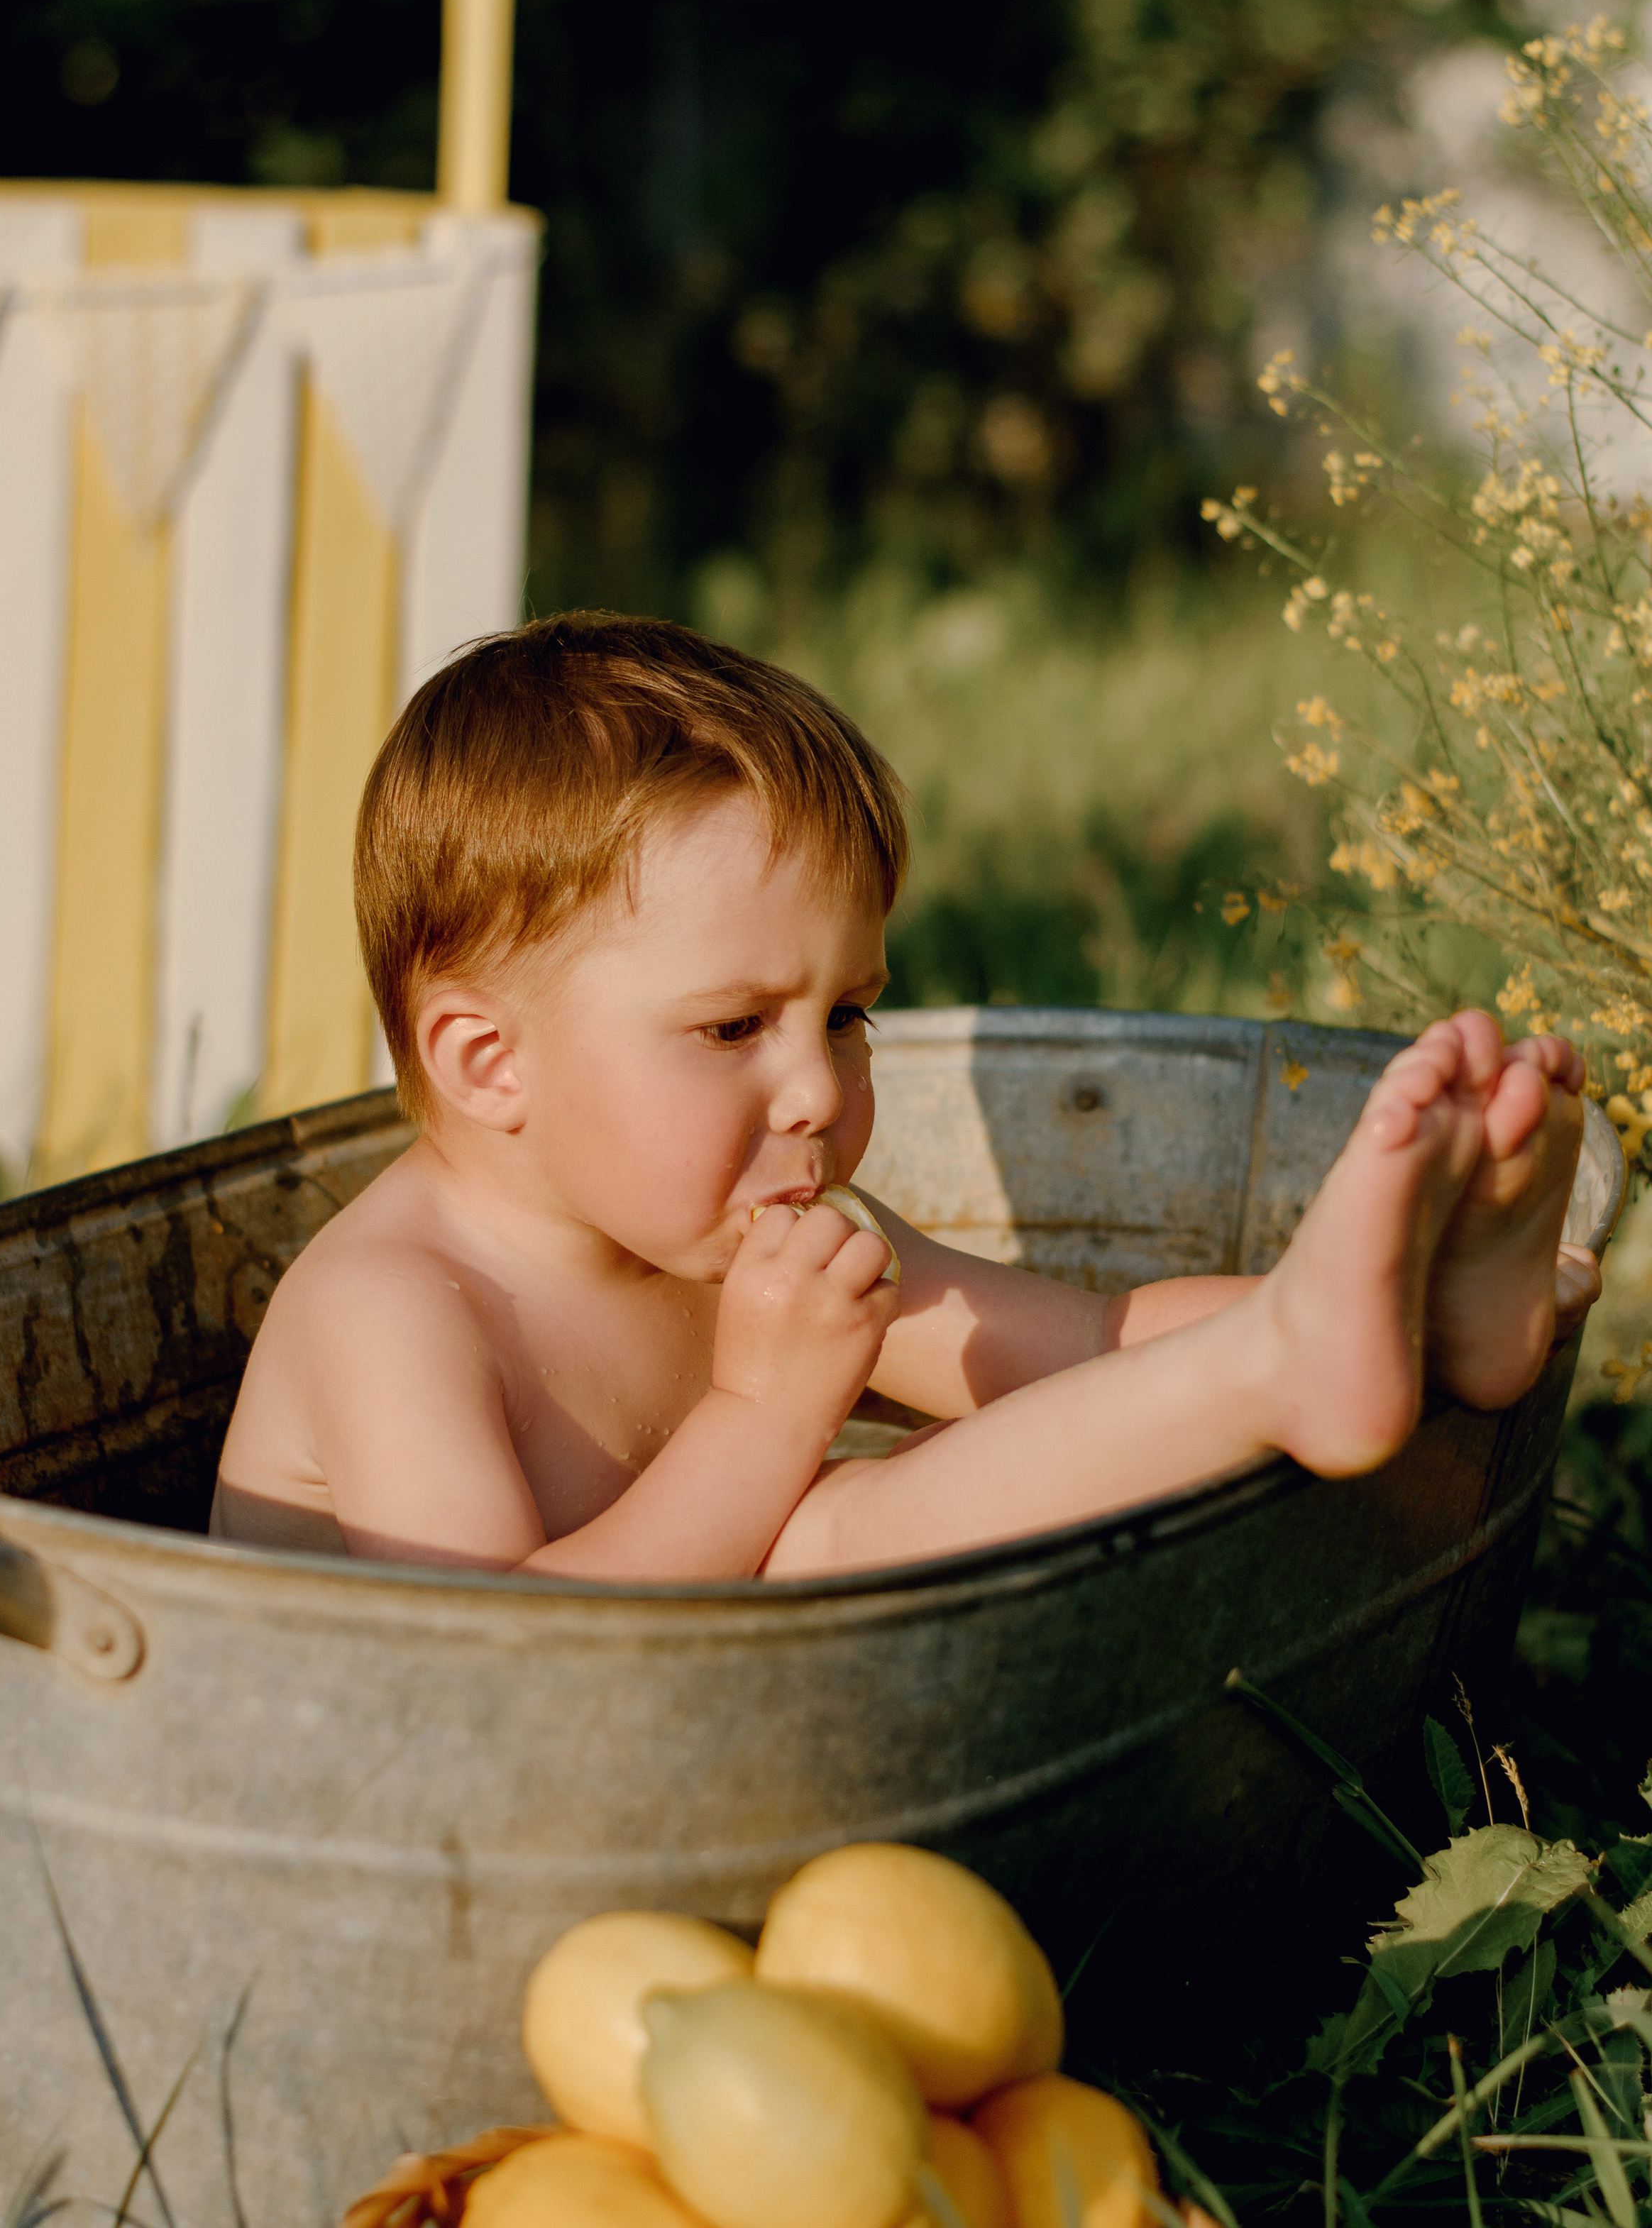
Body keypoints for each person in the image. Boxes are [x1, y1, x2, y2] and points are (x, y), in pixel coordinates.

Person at [211, 613, 1600, 1578]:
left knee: (841, 1524)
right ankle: (1290, 1362)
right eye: (734, 1025)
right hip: (460, 1823)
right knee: (816, 1529)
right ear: (486, 1061)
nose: (816, 1086)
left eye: (848, 1013)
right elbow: (474, 1674)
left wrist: (1372, 1290)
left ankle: (1385, 1329)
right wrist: (758, 1420)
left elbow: (1087, 1344)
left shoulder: (752, 1218)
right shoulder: (393, 1315)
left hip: (710, 1739)